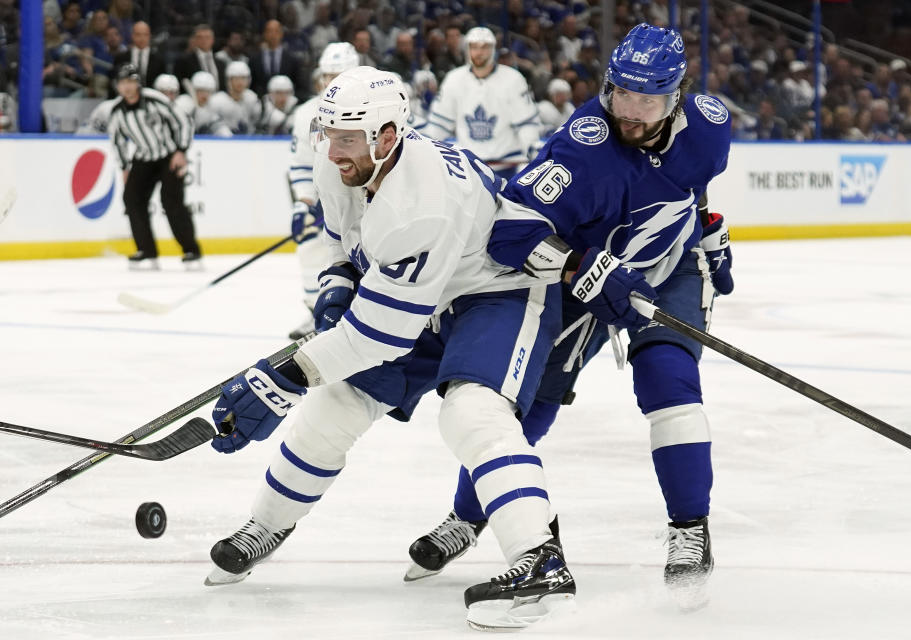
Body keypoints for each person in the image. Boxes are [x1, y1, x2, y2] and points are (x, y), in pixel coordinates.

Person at [204, 66, 575, 631]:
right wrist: (336, 284)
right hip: (424, 294)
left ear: (387, 136)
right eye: (328, 135)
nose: (333, 151)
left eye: (347, 138)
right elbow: (339, 237)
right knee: (336, 405)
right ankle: (267, 524)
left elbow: (380, 336)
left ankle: (540, 560)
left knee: (472, 412)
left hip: (496, 292)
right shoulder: (347, 162)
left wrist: (281, 377)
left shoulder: (419, 204)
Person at [404, 23, 734, 608]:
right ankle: (468, 516)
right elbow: (512, 232)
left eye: (646, 101)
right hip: (583, 284)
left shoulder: (708, 124)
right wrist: (581, 265)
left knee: (669, 382)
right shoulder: (582, 148)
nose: (629, 112)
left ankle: (690, 530)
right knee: (526, 403)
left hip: (668, 268)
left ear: (676, 96)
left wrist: (710, 234)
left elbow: (696, 183)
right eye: (620, 94)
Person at [286, 42, 359, 340]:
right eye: (328, 75)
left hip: (366, 200)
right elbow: (302, 165)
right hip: (327, 202)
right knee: (310, 246)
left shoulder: (373, 107)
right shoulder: (306, 114)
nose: (331, 82)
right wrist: (304, 203)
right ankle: (317, 311)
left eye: (339, 75)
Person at [107, 63, 201, 269]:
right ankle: (146, 250)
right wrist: (125, 167)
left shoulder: (154, 99)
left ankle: (191, 250)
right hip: (143, 158)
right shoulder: (116, 111)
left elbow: (183, 122)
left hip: (168, 156)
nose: (127, 87)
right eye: (123, 83)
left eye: (131, 82)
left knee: (172, 202)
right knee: (132, 199)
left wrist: (180, 151)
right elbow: (117, 141)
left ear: (138, 83)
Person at [420, 26, 541, 181]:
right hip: (469, 168)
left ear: (493, 49)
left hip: (506, 166)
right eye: (474, 47)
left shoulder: (513, 79)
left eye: (485, 47)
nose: (479, 52)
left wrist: (532, 149)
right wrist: (425, 152)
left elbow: (526, 123)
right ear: (467, 49)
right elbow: (439, 125)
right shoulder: (453, 79)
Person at [208, 60, 261, 135]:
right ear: (229, 80)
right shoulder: (217, 100)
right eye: (236, 78)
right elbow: (212, 125)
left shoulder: (252, 98)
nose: (240, 82)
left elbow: (257, 124)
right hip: (223, 142)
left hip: (248, 141)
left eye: (243, 78)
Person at [175, 71, 232, 137]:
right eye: (200, 90)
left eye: (207, 91)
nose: (204, 95)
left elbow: (222, 130)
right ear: (194, 90)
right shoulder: (184, 103)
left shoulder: (213, 106)